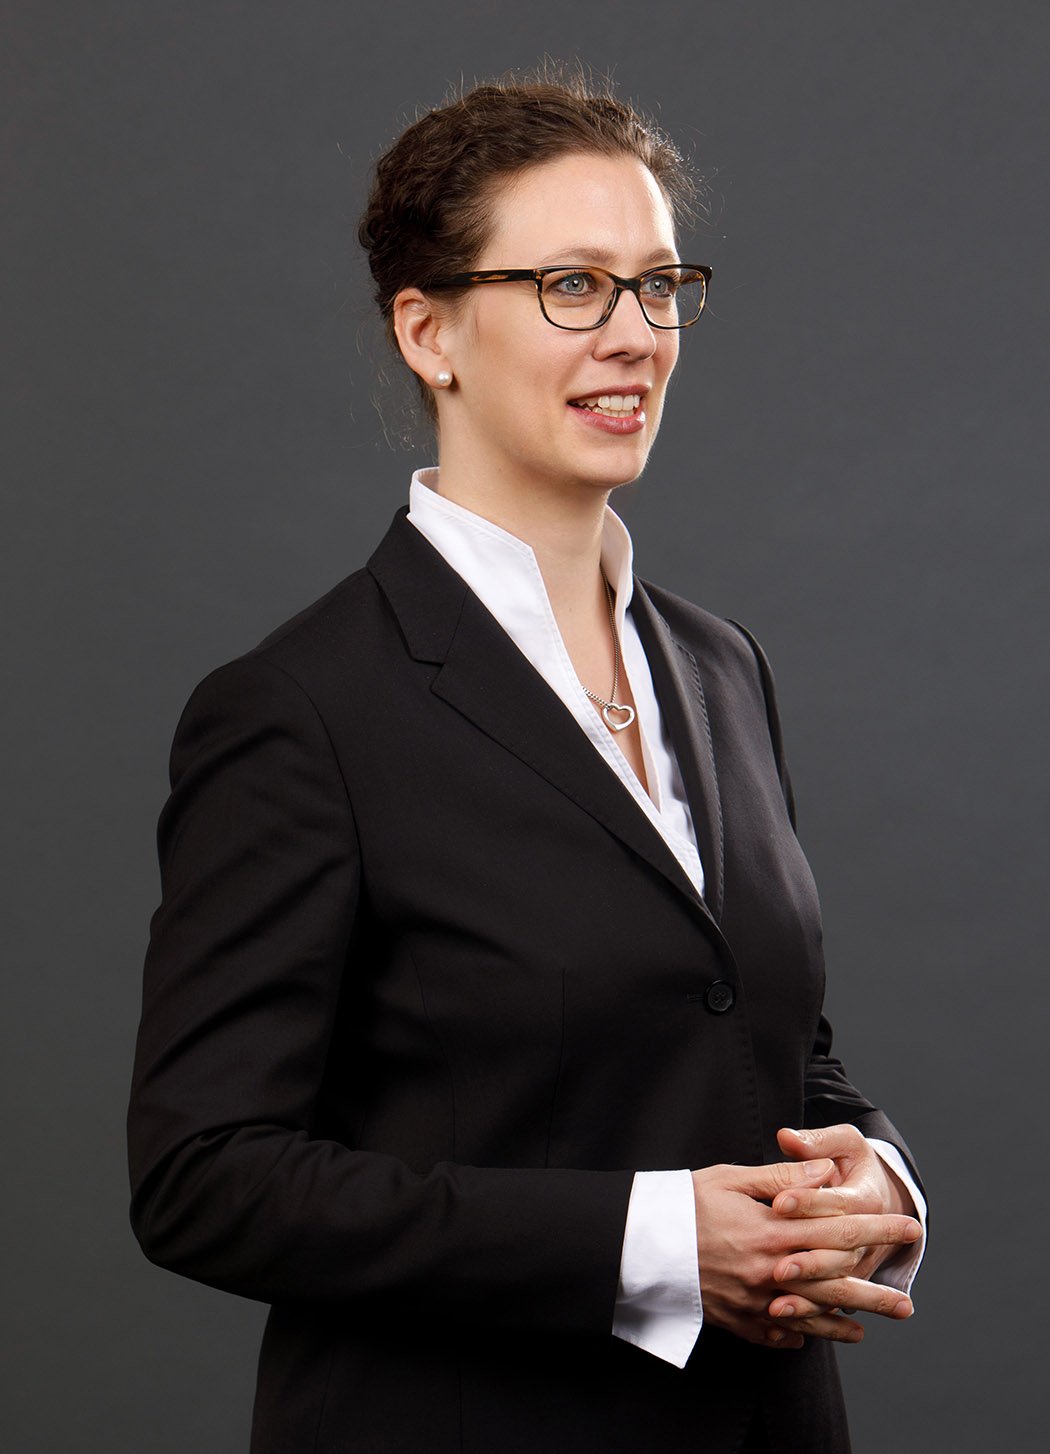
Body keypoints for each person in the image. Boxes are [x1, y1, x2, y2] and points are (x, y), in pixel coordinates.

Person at [127, 68, 926, 1454]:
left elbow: (766, 1045)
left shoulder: (721, 663)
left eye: (658, 286)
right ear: (427, 330)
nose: (635, 336)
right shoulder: (300, 709)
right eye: (571, 286)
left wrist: (878, 1179)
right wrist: (649, 1241)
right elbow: (203, 1178)